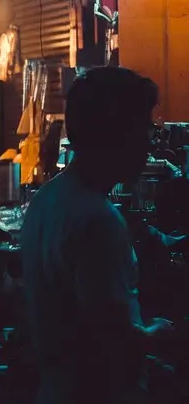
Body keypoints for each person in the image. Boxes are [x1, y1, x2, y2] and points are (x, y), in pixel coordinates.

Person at [21, 67, 174, 403]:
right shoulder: (97, 221)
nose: (150, 142)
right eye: (144, 128)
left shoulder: (47, 200)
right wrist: (161, 333)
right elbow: (112, 339)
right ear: (117, 132)